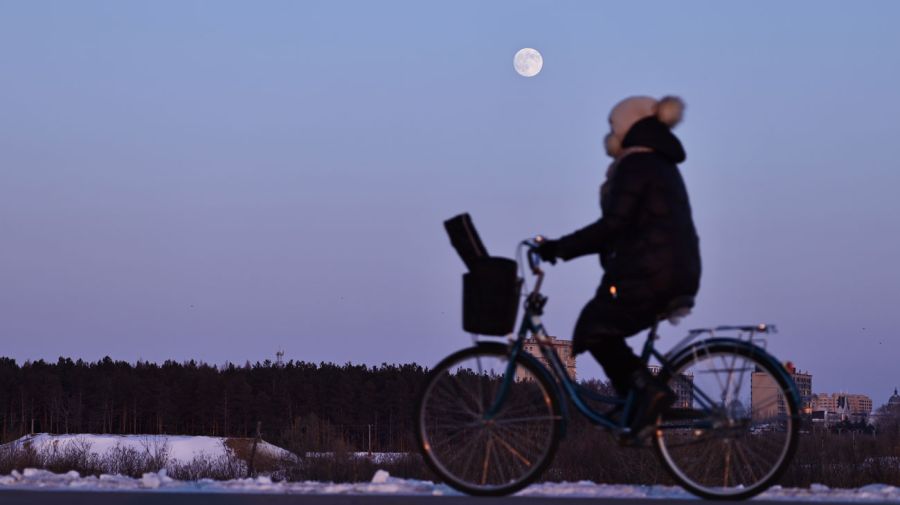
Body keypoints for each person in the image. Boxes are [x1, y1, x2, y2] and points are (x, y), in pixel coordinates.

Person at [535, 95, 701, 433]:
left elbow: (614, 225)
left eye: (614, 128)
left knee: (594, 328)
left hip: (653, 273)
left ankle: (648, 394)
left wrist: (559, 248)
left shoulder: (637, 165)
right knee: (601, 324)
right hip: (669, 270)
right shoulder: (658, 163)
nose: (611, 136)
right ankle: (637, 407)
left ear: (629, 127)